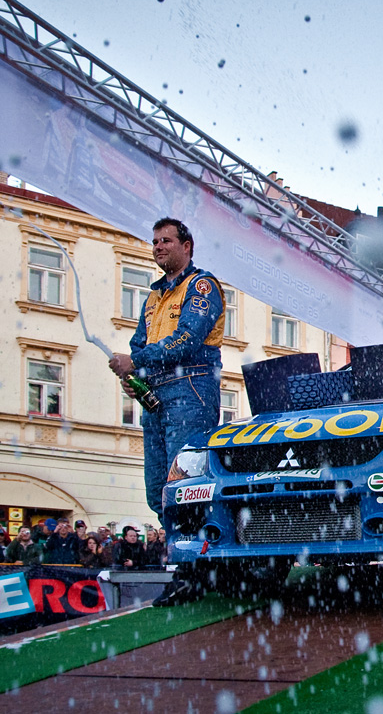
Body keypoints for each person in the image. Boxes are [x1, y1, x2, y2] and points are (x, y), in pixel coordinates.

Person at [109, 218, 225, 531]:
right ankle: (176, 543)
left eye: (166, 241)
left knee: (185, 481)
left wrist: (136, 362)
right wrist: (136, 379)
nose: (159, 246)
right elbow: (139, 343)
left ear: (187, 247)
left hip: (190, 386)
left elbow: (188, 338)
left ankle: (197, 546)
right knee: (157, 486)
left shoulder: (202, 285)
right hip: (156, 395)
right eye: (156, 241)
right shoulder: (154, 297)